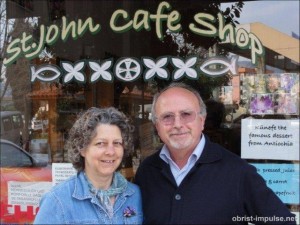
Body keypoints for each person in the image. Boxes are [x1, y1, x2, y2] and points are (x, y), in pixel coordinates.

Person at [135, 82, 296, 225]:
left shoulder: (237, 171)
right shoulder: (147, 171)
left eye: (186, 114)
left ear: (202, 120)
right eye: (167, 117)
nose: (178, 124)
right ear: (157, 126)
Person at [34, 107, 143, 224]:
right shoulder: (57, 201)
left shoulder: (135, 195)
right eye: (101, 143)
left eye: (117, 143)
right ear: (82, 148)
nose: (111, 152)